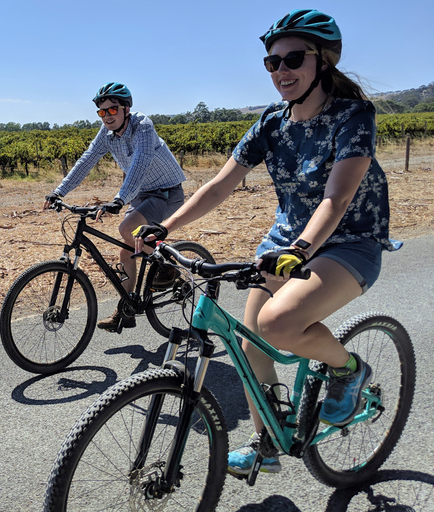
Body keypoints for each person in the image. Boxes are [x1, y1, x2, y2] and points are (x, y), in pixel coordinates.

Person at [134, 9, 401, 476]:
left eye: (293, 59)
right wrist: (167, 226)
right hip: (285, 244)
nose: (281, 72)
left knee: (277, 324)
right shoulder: (272, 122)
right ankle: (266, 442)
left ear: (324, 62)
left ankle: (349, 370)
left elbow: (337, 199)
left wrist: (300, 250)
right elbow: (219, 186)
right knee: (249, 339)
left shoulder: (352, 116)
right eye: (272, 63)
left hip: (349, 242)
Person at [43, 82, 187, 332]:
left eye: (112, 110)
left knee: (127, 228)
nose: (107, 116)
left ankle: (168, 268)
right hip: (142, 194)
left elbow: (140, 164)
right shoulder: (106, 133)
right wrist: (59, 191)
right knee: (126, 252)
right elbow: (86, 160)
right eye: (102, 111)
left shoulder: (143, 126)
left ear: (126, 109)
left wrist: (119, 200)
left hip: (167, 192)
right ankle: (126, 310)